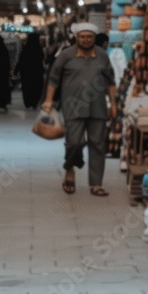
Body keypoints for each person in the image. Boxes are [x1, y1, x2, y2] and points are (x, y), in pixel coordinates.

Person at [42, 22, 117, 197]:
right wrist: (48, 100)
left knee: (98, 145)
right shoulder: (66, 55)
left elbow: (110, 81)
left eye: (89, 37)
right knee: (74, 142)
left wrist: (113, 104)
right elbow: (53, 78)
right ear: (77, 38)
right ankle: (69, 170)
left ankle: (96, 184)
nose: (86, 39)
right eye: (82, 36)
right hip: (72, 106)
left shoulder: (102, 55)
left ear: (94, 38)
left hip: (98, 107)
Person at [15, 33, 45, 109]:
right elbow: (42, 60)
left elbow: (21, 60)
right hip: (37, 74)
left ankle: (28, 102)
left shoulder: (26, 49)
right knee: (36, 88)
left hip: (26, 73)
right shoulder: (38, 49)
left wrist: (16, 70)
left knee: (27, 88)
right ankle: (34, 102)